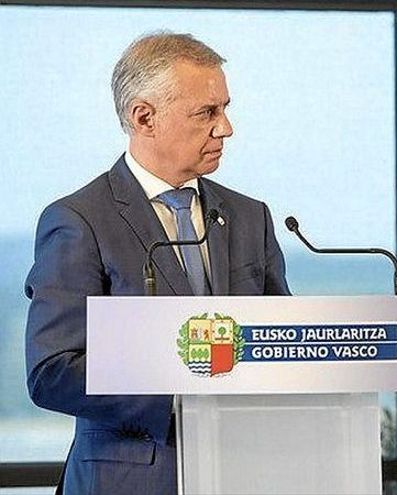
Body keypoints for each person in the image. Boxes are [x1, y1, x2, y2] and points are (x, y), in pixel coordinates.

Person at [24, 32, 290, 494]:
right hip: (130, 478)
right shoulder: (78, 221)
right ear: (143, 117)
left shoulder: (251, 217)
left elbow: (284, 345)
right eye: (207, 112)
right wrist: (184, 397)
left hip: (245, 473)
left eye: (225, 108)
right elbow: (53, 371)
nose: (225, 127)